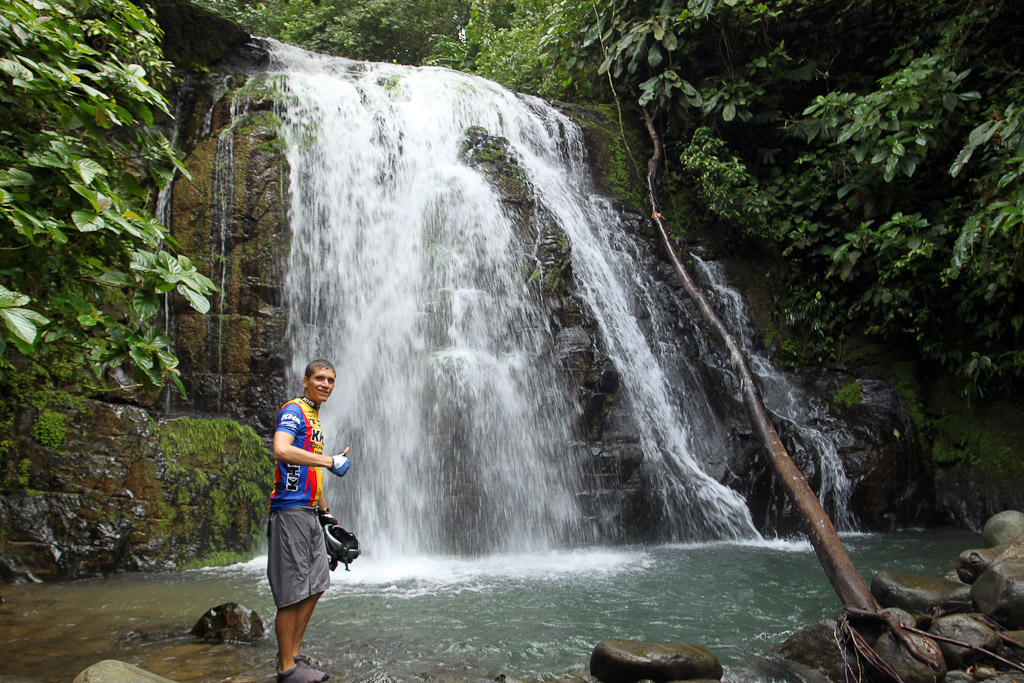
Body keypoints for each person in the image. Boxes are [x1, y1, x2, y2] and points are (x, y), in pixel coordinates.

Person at [267, 359, 351, 682]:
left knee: (316, 583)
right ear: (305, 381)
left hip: (309, 512)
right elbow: (281, 449)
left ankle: (293, 655)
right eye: (319, 378)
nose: (326, 384)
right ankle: (286, 669)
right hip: (289, 511)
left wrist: (327, 517)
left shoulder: (314, 420)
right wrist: (330, 460)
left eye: (331, 379)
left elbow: (311, 471)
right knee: (292, 593)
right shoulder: (294, 411)